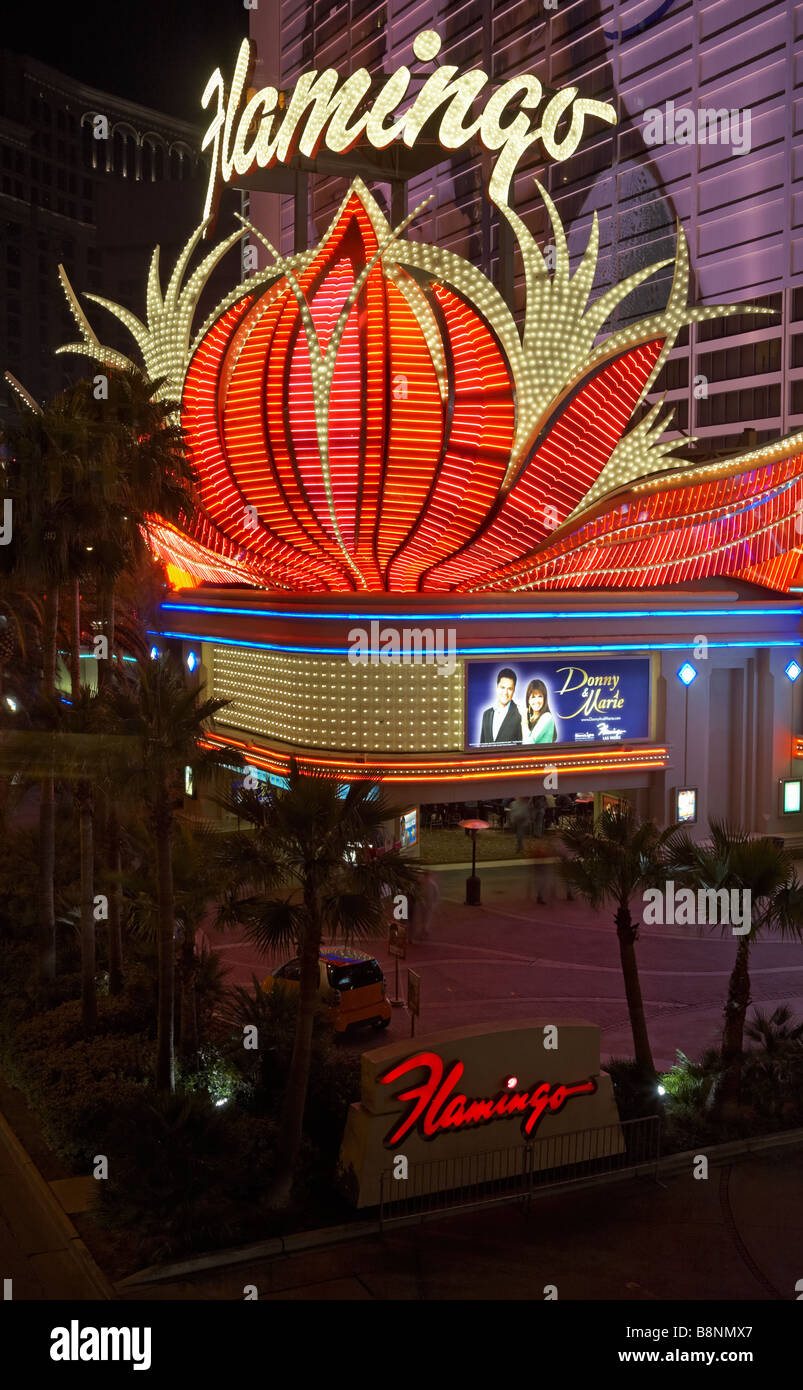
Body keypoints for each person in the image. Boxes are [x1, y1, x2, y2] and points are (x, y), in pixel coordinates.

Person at [480, 668, 523, 744]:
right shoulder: (486, 714)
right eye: (502, 687)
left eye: (509, 689)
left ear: (514, 690)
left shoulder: (520, 714)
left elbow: (523, 746)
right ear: (497, 687)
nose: (505, 693)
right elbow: (481, 746)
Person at [524, 679, 558, 743]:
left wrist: (523, 722)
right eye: (533, 697)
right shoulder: (530, 718)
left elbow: (528, 743)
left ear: (544, 699)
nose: (537, 701)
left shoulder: (547, 717)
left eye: (540, 696)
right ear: (528, 700)